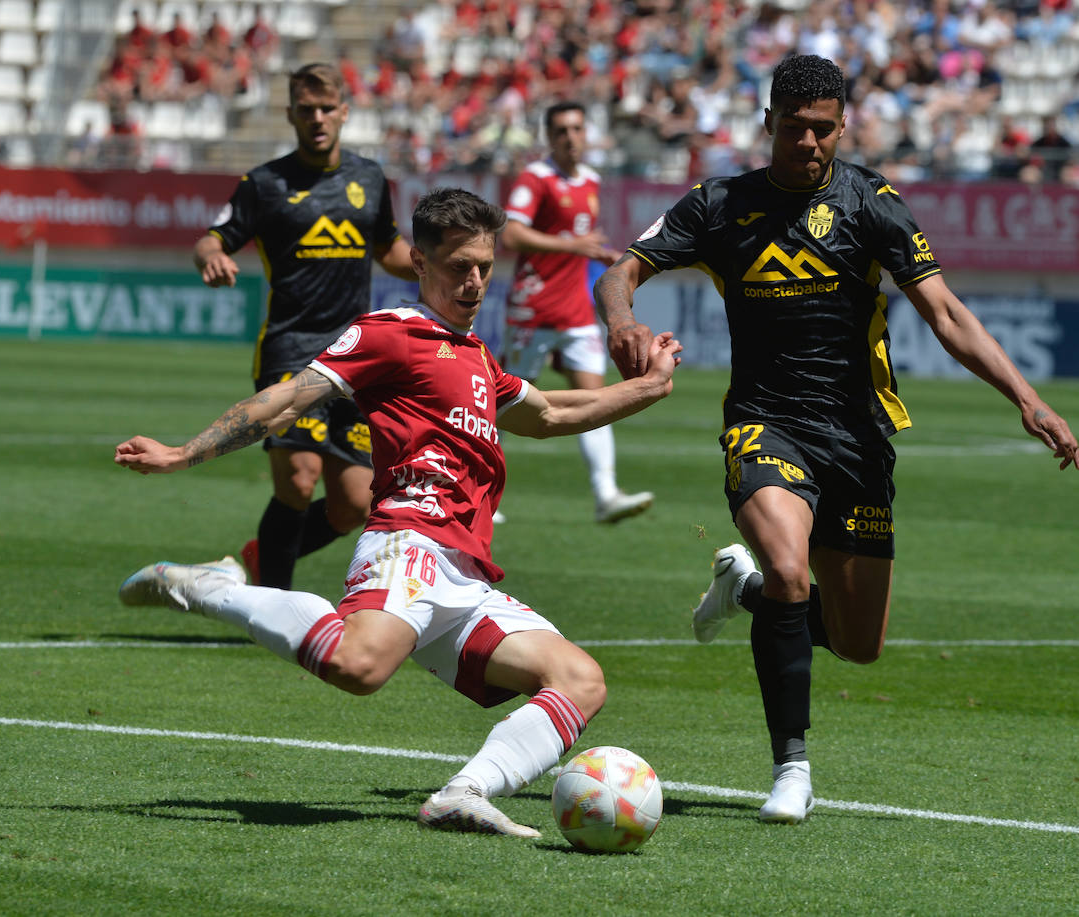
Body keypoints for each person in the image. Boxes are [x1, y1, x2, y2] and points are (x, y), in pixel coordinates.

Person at [595, 54, 1077, 825]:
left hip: (857, 433)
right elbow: (620, 270)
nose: (810, 143)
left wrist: (1027, 399)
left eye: (824, 129)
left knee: (859, 645)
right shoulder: (719, 203)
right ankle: (792, 765)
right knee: (791, 570)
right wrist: (622, 320)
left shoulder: (873, 202)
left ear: (842, 125)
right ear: (768, 126)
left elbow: (946, 314)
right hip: (765, 420)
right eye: (795, 129)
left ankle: (740, 588)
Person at [115, 188, 684, 837]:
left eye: (483, 266)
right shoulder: (392, 331)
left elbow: (555, 413)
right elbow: (288, 399)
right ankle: (215, 589)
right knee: (359, 668)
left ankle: (464, 792)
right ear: (420, 261)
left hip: (466, 577)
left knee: (580, 679)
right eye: (457, 266)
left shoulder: (476, 358)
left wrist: (652, 383)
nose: (473, 281)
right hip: (406, 541)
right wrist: (185, 451)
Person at [192, 63, 417, 590]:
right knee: (299, 478)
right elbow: (213, 238)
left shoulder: (369, 179)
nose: (317, 118)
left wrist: (436, 263)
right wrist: (210, 258)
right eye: (306, 109)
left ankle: (261, 557)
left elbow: (389, 250)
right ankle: (273, 603)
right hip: (290, 351)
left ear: (344, 112)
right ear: (291, 114)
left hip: (357, 354)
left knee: (354, 504)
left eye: (326, 109)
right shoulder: (263, 184)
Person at [499, 101, 654, 524]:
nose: (570, 137)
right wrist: (573, 246)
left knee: (595, 398)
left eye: (577, 128)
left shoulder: (590, 180)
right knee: (504, 402)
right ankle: (475, 491)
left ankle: (606, 494)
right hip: (532, 308)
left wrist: (596, 253)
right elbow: (511, 232)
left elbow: (574, 241)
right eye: (562, 130)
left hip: (575, 309)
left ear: (586, 134)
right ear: (550, 137)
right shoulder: (536, 178)